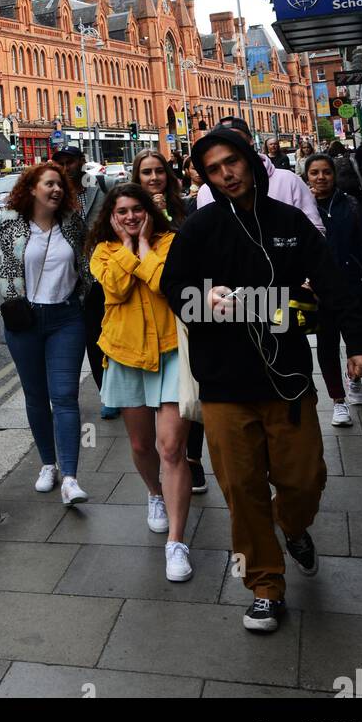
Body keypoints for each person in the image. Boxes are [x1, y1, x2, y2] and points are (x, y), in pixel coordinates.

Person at [160, 128, 362, 634]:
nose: (226, 175)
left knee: (304, 479)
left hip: (287, 382)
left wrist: (360, 342)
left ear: (250, 162)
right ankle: (264, 585)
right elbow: (174, 289)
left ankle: (294, 524)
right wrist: (203, 299)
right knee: (242, 489)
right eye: (213, 169)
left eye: (231, 163)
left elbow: (331, 283)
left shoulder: (289, 222)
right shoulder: (200, 227)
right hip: (223, 386)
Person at [90, 183, 193, 582]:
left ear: (148, 211)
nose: (130, 217)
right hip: (125, 353)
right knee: (140, 445)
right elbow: (114, 288)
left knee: (171, 448)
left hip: (171, 352)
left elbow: (163, 284)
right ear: (111, 217)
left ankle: (177, 542)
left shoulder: (170, 242)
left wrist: (145, 245)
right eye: (122, 212)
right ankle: (155, 494)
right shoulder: (103, 251)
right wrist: (130, 251)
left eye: (136, 210)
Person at [0, 161, 92, 506]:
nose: (56, 190)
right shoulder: (11, 220)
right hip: (24, 320)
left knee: (65, 396)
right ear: (31, 189)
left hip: (67, 319)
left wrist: (87, 289)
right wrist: (1, 277)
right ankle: (48, 464)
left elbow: (88, 257)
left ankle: (70, 478)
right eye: (49, 184)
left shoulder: (71, 222)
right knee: (36, 396)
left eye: (60, 185)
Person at [131, 149, 206, 490]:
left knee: (191, 390)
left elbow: (188, 251)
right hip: (144, 318)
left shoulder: (184, 208)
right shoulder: (128, 212)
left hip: (183, 307)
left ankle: (192, 459)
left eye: (158, 171)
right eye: (146, 172)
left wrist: (161, 211)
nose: (153, 178)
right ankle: (166, 474)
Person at [304, 153, 362, 424]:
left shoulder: (350, 204)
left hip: (353, 286)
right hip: (320, 292)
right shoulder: (303, 210)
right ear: (307, 177)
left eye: (326, 172)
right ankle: (338, 401)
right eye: (315, 172)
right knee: (327, 346)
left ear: (334, 175)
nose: (321, 177)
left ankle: (355, 379)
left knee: (356, 339)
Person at [51, 146, 113, 416]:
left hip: (108, 271)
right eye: (61, 163)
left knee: (113, 333)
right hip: (76, 279)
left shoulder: (103, 184)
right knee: (91, 338)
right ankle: (106, 395)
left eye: (71, 162)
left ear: (81, 162)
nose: (66, 168)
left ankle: (121, 388)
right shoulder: (54, 195)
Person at [195, 117, 324, 234]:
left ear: (250, 140)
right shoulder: (206, 192)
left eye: (236, 137)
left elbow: (315, 232)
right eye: (213, 169)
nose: (226, 174)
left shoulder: (288, 180)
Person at [325, 140, 362, 216]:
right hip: (353, 186)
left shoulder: (329, 161)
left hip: (338, 187)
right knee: (358, 206)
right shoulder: (349, 158)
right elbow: (357, 172)